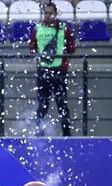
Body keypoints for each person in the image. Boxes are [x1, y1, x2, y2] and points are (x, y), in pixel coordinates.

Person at [29, 1, 75, 137]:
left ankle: (67, 134)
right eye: (46, 13)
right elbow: (32, 48)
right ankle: (40, 133)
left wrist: (61, 56)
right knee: (42, 105)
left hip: (60, 71)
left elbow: (72, 48)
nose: (48, 15)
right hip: (43, 70)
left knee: (62, 105)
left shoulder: (64, 28)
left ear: (55, 13)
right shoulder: (37, 28)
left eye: (51, 13)